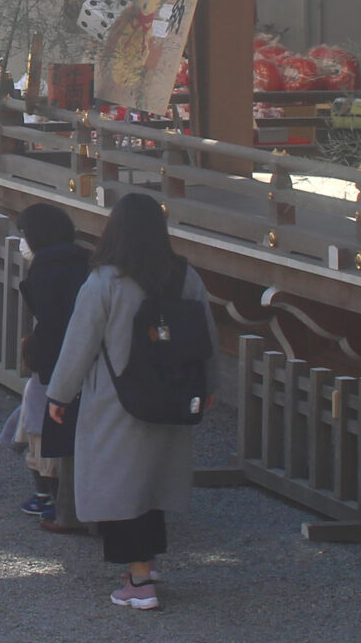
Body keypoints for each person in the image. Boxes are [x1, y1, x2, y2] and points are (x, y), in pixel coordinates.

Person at [45, 191, 216, 610]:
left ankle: (139, 581)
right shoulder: (184, 277)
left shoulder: (106, 281)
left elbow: (79, 343)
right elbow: (206, 340)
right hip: (172, 395)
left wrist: (59, 393)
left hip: (116, 400)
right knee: (153, 484)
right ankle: (147, 562)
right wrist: (208, 387)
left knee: (119, 488)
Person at [15, 202, 93, 531]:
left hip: (57, 361)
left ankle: (53, 498)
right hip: (87, 357)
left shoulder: (46, 267)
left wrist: (38, 355)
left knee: (40, 425)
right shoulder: (83, 259)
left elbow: (51, 320)